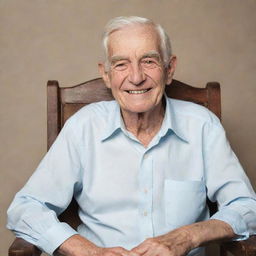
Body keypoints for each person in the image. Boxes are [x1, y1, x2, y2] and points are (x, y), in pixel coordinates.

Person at [7, 16, 256, 256]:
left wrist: (187, 237)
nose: (136, 78)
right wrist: (87, 251)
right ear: (106, 74)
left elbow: (248, 208)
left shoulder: (203, 126)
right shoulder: (83, 127)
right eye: (121, 64)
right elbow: (25, 209)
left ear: (169, 69)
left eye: (149, 61)